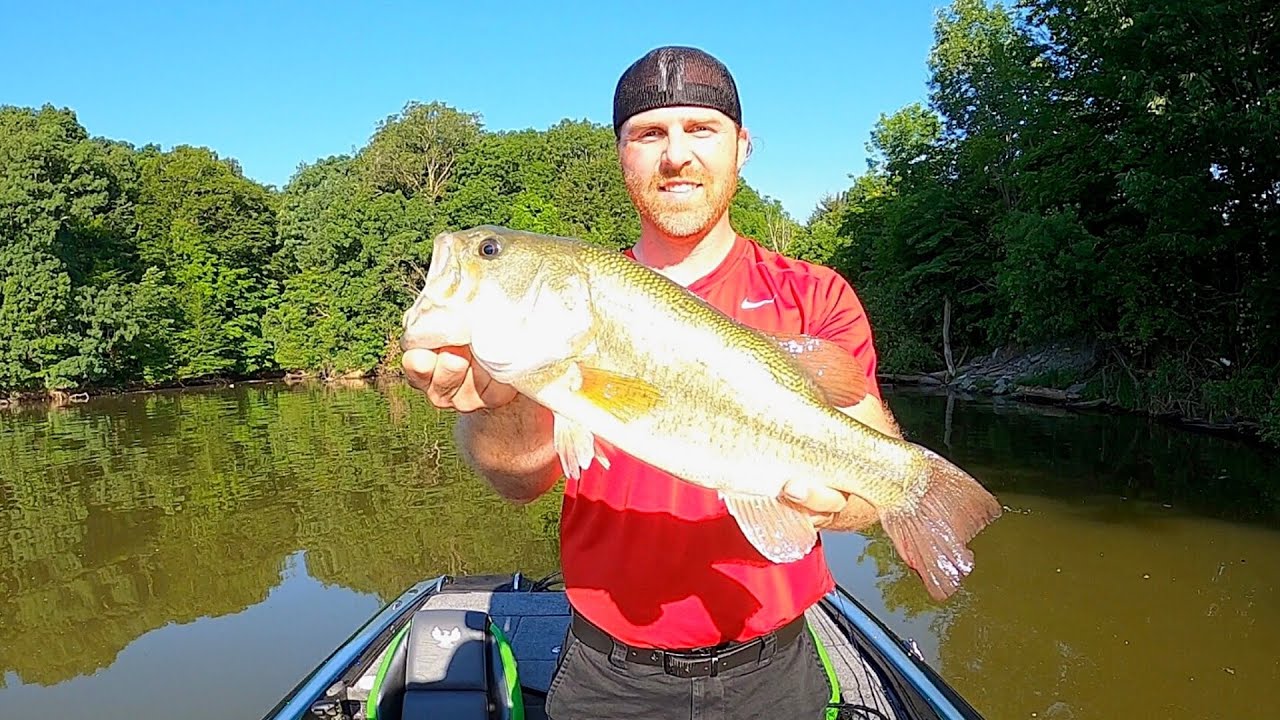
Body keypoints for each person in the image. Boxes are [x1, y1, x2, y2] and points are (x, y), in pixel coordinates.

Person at [401, 45, 903, 720]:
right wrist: (497, 408)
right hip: (610, 676)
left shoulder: (815, 296)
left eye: (701, 130)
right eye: (649, 134)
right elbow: (518, 483)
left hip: (776, 672)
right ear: (621, 154)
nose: (676, 155)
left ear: (741, 147)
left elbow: (876, 489)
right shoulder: (565, 321)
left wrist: (830, 506)